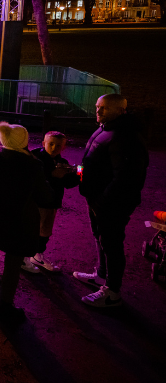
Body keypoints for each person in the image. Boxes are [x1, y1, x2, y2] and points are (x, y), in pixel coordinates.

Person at [73, 94, 149, 308]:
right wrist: (77, 175)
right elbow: (92, 161)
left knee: (112, 244)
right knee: (101, 238)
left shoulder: (125, 137)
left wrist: (102, 202)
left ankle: (112, 291)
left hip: (111, 204)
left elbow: (126, 178)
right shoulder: (105, 128)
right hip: (97, 200)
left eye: (104, 108)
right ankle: (102, 275)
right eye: (98, 107)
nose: (98, 111)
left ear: (120, 110)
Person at [0, 123, 51, 323]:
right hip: (20, 220)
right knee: (12, 263)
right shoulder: (33, 165)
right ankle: (6, 305)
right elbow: (43, 197)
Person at [27, 131, 79, 272]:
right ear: (43, 143)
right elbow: (28, 178)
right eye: (51, 144)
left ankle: (37, 256)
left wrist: (79, 172)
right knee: (29, 229)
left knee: (45, 232)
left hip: (51, 203)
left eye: (58, 145)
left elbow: (69, 183)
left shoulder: (62, 163)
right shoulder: (35, 157)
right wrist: (51, 175)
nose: (54, 148)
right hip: (35, 202)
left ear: (63, 147)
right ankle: (23, 259)